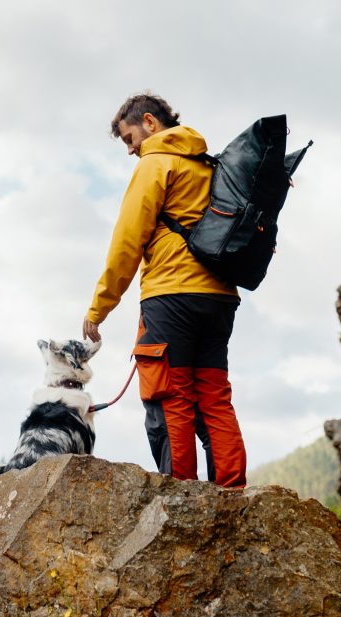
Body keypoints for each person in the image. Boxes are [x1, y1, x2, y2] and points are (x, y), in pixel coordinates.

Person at [82, 93, 247, 488]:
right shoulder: (212, 165)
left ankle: (183, 499)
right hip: (221, 297)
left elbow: (127, 242)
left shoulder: (154, 165)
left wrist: (98, 308)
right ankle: (234, 495)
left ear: (151, 123)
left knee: (169, 398)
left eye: (128, 138)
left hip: (171, 297)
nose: (130, 149)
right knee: (214, 398)